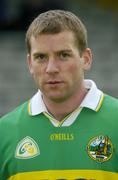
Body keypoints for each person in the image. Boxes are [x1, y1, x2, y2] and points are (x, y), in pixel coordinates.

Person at [0, 10, 118, 180]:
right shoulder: (4, 132)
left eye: (63, 55)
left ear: (86, 59)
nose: (51, 69)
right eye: (41, 57)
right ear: (30, 63)